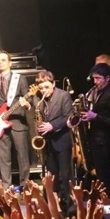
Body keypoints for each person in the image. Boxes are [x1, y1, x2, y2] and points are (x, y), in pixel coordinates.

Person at [0, 51, 32, 189]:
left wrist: (26, 103)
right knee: (3, 156)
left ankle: (25, 186)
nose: (0, 63)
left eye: (3, 60)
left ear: (10, 63)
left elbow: (28, 97)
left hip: (18, 121)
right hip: (0, 122)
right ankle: (6, 187)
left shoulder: (20, 79)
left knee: (22, 156)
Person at [33, 70, 74, 211]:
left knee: (65, 175)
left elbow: (68, 116)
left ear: (53, 84)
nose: (44, 91)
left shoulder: (64, 95)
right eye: (41, 88)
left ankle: (69, 206)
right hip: (47, 143)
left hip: (62, 141)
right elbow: (37, 118)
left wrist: (52, 126)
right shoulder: (39, 100)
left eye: (46, 87)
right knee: (53, 176)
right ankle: (55, 206)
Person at [81, 63, 110, 197]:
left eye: (98, 78)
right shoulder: (99, 92)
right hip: (96, 139)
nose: (95, 82)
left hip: (105, 141)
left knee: (106, 176)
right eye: (94, 78)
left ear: (108, 78)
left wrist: (95, 116)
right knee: (101, 175)